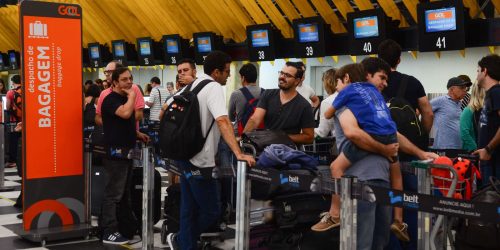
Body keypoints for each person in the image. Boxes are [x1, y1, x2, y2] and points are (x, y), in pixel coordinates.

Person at [165, 51, 255, 250]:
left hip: (185, 155)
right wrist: (238, 153)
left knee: (189, 207)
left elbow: (166, 108)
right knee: (211, 210)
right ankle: (181, 240)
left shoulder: (193, 85)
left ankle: (185, 244)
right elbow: (222, 121)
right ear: (216, 72)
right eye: (226, 71)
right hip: (200, 159)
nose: (228, 75)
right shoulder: (213, 87)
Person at [312, 59, 408, 242]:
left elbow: (352, 133)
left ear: (346, 78)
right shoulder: (377, 97)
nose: (336, 87)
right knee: (379, 242)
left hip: (362, 181)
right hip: (382, 174)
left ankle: (334, 213)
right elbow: (392, 133)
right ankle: (399, 221)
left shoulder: (344, 97)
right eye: (382, 78)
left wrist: (383, 149)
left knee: (335, 168)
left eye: (338, 82)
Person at [100, 67, 150, 245]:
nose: (129, 82)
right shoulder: (110, 100)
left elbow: (122, 123)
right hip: (115, 154)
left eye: (130, 79)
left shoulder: (121, 99)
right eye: (124, 80)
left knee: (123, 193)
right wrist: (132, 97)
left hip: (127, 152)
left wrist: (137, 134)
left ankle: (124, 227)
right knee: (113, 193)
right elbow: (126, 113)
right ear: (114, 82)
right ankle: (109, 231)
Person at [243, 61, 315, 144]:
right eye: (281, 73)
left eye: (287, 75)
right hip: (265, 149)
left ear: (297, 81)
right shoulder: (268, 94)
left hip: (288, 152)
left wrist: (282, 137)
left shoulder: (304, 106)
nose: (282, 77)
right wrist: (243, 139)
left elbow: (309, 137)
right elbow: (255, 120)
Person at [378, 39, 434, 135]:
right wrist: (422, 136)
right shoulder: (413, 82)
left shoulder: (370, 83)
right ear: (399, 60)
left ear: (378, 58)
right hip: (408, 141)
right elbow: (428, 113)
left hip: (379, 139)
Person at [473, 54, 500, 182]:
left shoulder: (496, 92)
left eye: (478, 71)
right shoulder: (490, 94)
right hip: (487, 161)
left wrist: (488, 149)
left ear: (485, 71)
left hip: (495, 163)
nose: (477, 75)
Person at [95, 61, 145, 126]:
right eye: (106, 72)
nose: (106, 74)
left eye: (110, 71)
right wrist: (112, 126)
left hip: (131, 133)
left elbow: (139, 115)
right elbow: (98, 117)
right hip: (112, 134)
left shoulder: (133, 89)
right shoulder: (104, 93)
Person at [430, 77, 471, 149]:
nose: (465, 90)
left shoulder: (459, 103)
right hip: (443, 148)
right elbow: (421, 110)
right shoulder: (440, 101)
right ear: (452, 89)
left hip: (458, 147)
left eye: (465, 88)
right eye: (462, 88)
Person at [228, 63, 263, 134]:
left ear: (243, 78)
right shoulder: (265, 93)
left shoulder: (236, 94)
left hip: (241, 135)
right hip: (260, 135)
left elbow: (231, 117)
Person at [460, 83, 484, 151]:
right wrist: (475, 148)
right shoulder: (468, 110)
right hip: (472, 152)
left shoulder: (485, 110)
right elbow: (464, 133)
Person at [314, 68, 337, 138]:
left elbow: (322, 132)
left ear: (327, 82)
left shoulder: (327, 102)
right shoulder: (349, 96)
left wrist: (306, 132)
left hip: (340, 143)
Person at [6, 75, 21, 169]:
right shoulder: (27, 90)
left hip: (14, 120)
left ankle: (12, 161)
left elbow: (7, 107)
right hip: (25, 121)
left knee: (13, 141)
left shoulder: (10, 93)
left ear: (12, 82)